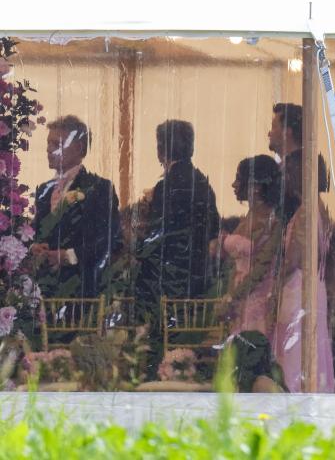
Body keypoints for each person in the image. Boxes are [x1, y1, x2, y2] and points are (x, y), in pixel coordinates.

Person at [135, 120, 220, 371]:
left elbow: (158, 238)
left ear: (161, 149)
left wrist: (139, 238)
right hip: (198, 279)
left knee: (163, 342)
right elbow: (213, 229)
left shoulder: (167, 186)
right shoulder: (203, 183)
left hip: (168, 282)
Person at [31, 115, 122, 298]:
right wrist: (34, 247)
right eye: (48, 144)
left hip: (82, 289)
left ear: (79, 148)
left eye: (56, 145)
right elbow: (36, 230)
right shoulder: (44, 190)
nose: (49, 150)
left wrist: (67, 255)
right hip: (43, 289)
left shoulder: (99, 188)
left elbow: (109, 240)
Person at [271, 151, 334, 392]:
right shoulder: (319, 208)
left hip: (298, 288)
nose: (285, 179)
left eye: (288, 173)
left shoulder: (307, 212)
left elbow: (295, 257)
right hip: (314, 285)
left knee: (295, 350)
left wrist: (276, 283)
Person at [213, 155, 283, 335]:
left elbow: (262, 268)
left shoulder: (273, 223)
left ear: (257, 186)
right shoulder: (248, 217)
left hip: (256, 299)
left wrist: (232, 298)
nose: (234, 185)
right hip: (238, 298)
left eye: (239, 179)